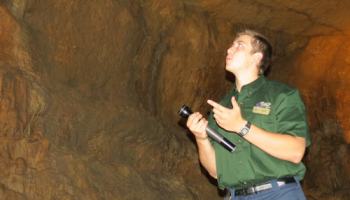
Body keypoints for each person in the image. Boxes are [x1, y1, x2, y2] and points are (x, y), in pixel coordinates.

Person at [186, 30, 310, 200]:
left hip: (279, 193)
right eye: (231, 45)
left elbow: (295, 151)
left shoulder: (282, 95)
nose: (229, 49)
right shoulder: (222, 107)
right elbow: (215, 171)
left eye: (239, 45)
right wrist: (201, 138)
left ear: (256, 57)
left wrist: (241, 126)